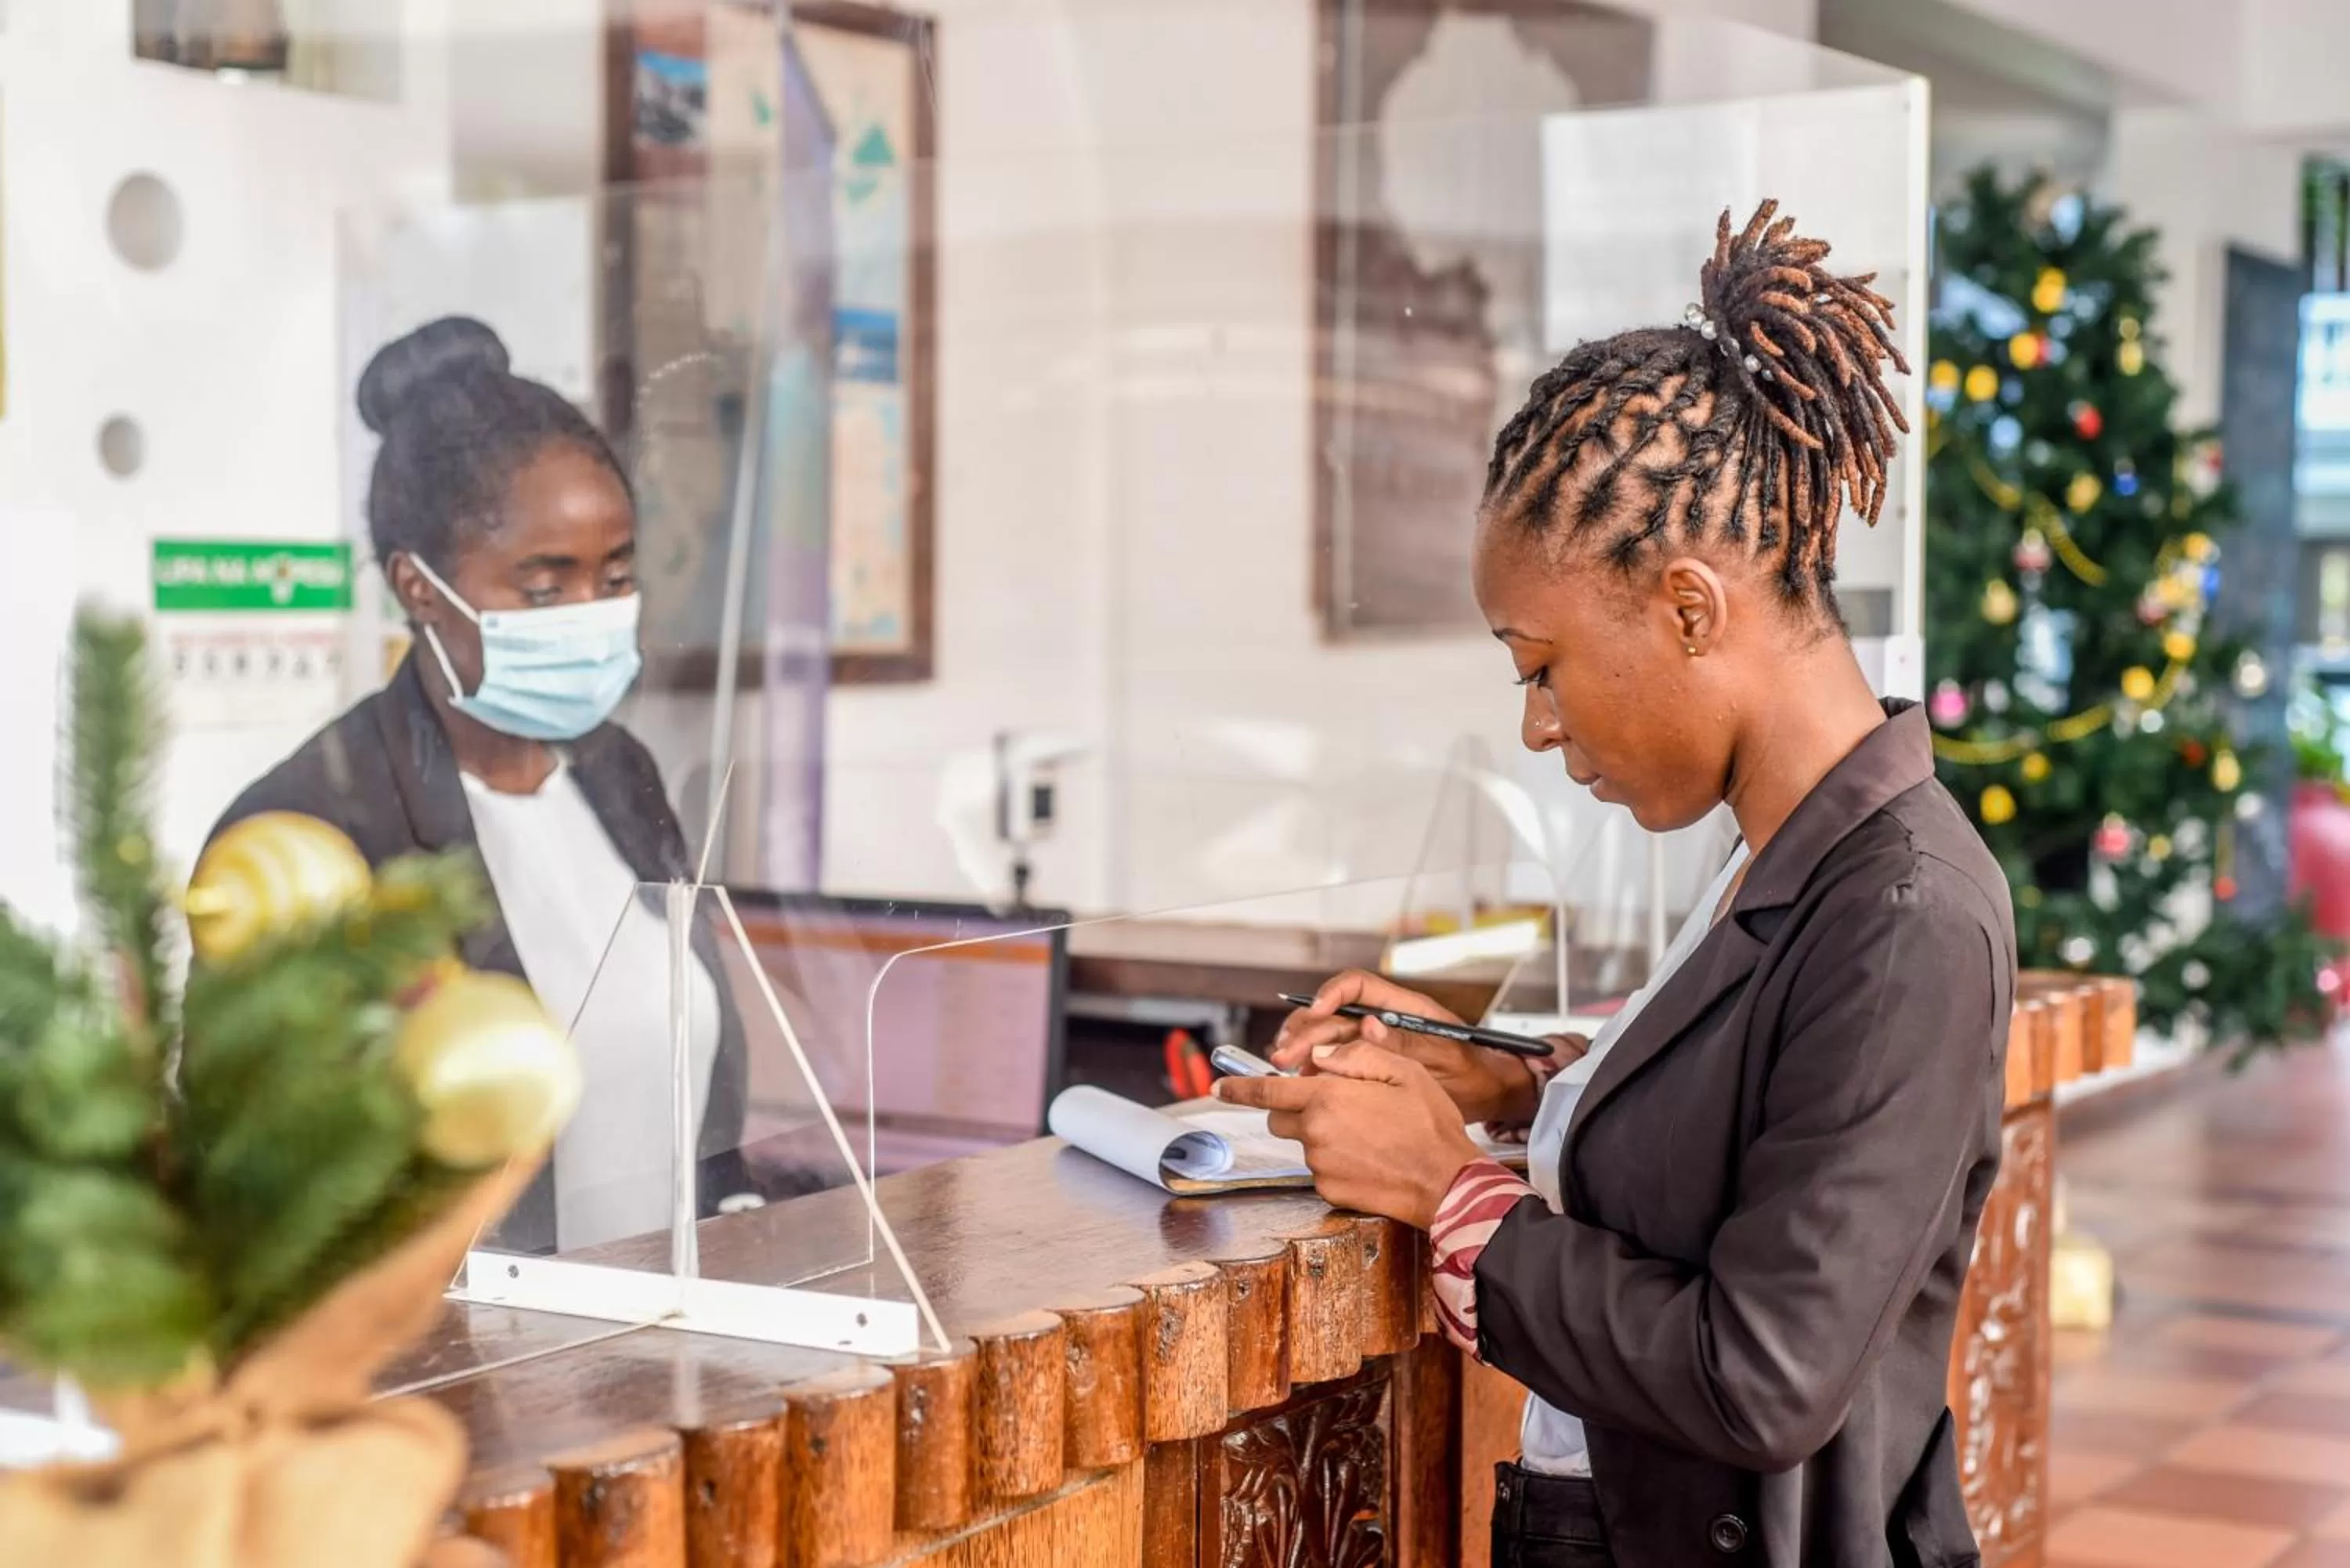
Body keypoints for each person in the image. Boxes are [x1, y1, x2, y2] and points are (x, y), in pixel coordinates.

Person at [1219, 204, 2013, 1568]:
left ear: (1691, 608)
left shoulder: (1908, 913)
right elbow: (1753, 1113)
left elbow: (1762, 1371)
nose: (1535, 722)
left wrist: (1451, 1194)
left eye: (1540, 664)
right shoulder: (1788, 851)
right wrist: (1513, 1081)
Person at [209, 316, 750, 1255]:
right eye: (544, 588)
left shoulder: (619, 772)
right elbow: (271, 1193)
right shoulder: (312, 828)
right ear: (418, 587)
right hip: (465, 1370)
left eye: (615, 574)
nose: (593, 615)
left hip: (675, 1335)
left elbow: (703, 1091)